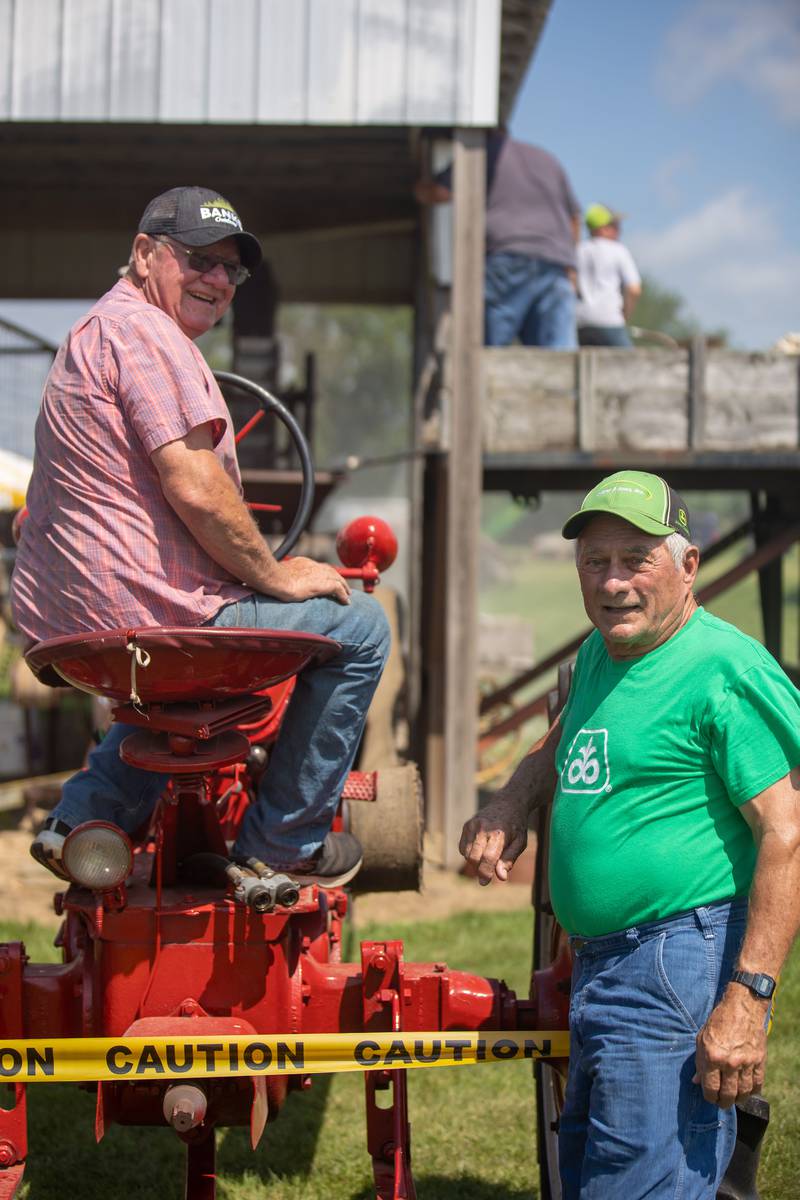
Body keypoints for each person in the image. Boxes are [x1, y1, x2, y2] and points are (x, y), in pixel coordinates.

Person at [11, 185, 390, 889]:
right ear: (146, 254)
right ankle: (282, 843)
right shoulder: (149, 336)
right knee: (361, 627)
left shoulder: (96, 331)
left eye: (231, 270)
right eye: (199, 260)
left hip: (76, 626)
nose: (217, 281)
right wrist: (275, 576)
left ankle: (83, 816)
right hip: (142, 616)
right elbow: (194, 486)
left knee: (172, 669)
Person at [460, 470, 800, 1198]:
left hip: (673, 965)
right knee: (596, 1174)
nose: (612, 583)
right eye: (595, 562)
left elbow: (786, 833)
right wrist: (511, 802)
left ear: (688, 566)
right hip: (600, 966)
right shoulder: (600, 654)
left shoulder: (724, 670)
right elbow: (567, 730)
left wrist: (747, 1002)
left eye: (635, 559)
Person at [415, 129, 581, 348]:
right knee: (558, 357)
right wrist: (571, 262)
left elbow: (440, 192)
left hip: (508, 259)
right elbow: (575, 217)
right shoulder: (546, 159)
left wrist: (416, 189)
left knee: (488, 351)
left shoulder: (484, 151)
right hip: (556, 264)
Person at [576, 203, 641, 347]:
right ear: (603, 228)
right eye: (615, 225)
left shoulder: (578, 250)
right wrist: (625, 315)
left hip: (580, 322)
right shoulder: (618, 250)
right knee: (631, 366)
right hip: (609, 320)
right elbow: (634, 289)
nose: (619, 230)